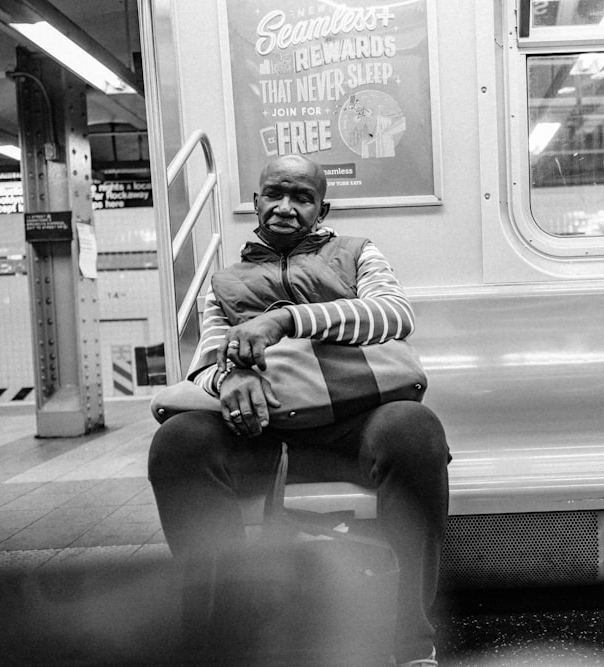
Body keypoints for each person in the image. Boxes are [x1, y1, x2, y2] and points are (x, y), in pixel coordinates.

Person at [148, 154, 449, 667]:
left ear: (321, 208)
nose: (286, 207)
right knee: (177, 441)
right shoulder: (222, 283)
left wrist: (284, 321)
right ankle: (220, 639)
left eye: (302, 197)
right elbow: (204, 362)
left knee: (415, 428)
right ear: (258, 201)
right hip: (262, 426)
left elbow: (393, 314)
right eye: (275, 194)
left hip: (354, 421)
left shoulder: (357, 254)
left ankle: (411, 641)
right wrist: (232, 378)